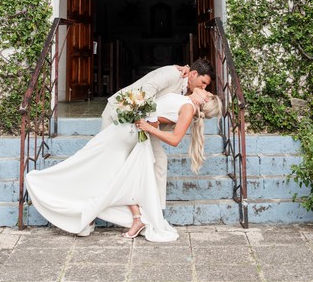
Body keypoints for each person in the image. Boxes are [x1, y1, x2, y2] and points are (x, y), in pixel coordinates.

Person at [25, 86, 223, 242]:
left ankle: (95, 215)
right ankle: (105, 217)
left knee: (92, 162)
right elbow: (157, 119)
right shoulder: (185, 100)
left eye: (207, 90)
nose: (204, 88)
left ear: (206, 99)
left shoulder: (188, 108)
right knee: (103, 168)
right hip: (126, 130)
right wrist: (141, 112)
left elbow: (174, 139)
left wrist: (147, 127)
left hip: (128, 134)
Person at [100, 59, 214, 208]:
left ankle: (155, 211)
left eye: (206, 86)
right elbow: (148, 89)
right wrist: (152, 121)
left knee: (160, 161)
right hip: (120, 112)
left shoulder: (191, 97)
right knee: (107, 161)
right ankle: (95, 210)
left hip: (144, 126)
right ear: (193, 74)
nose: (204, 87)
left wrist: (152, 125)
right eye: (203, 82)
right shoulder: (174, 74)